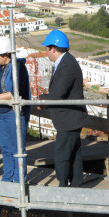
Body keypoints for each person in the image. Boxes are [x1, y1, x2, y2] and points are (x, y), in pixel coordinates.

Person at [39, 29, 88, 187]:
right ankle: (76, 185)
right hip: (70, 118)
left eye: (47, 48)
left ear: (53, 48)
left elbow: (56, 94)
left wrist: (41, 99)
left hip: (69, 119)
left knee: (62, 155)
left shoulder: (67, 65)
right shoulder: (65, 62)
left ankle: (63, 186)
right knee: (74, 154)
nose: (46, 52)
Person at [0, 36, 31, 183]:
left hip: (14, 113)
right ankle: (8, 177)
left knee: (17, 149)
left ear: (6, 55)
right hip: (1, 113)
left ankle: (19, 181)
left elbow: (19, 92)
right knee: (5, 148)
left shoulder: (18, 68)